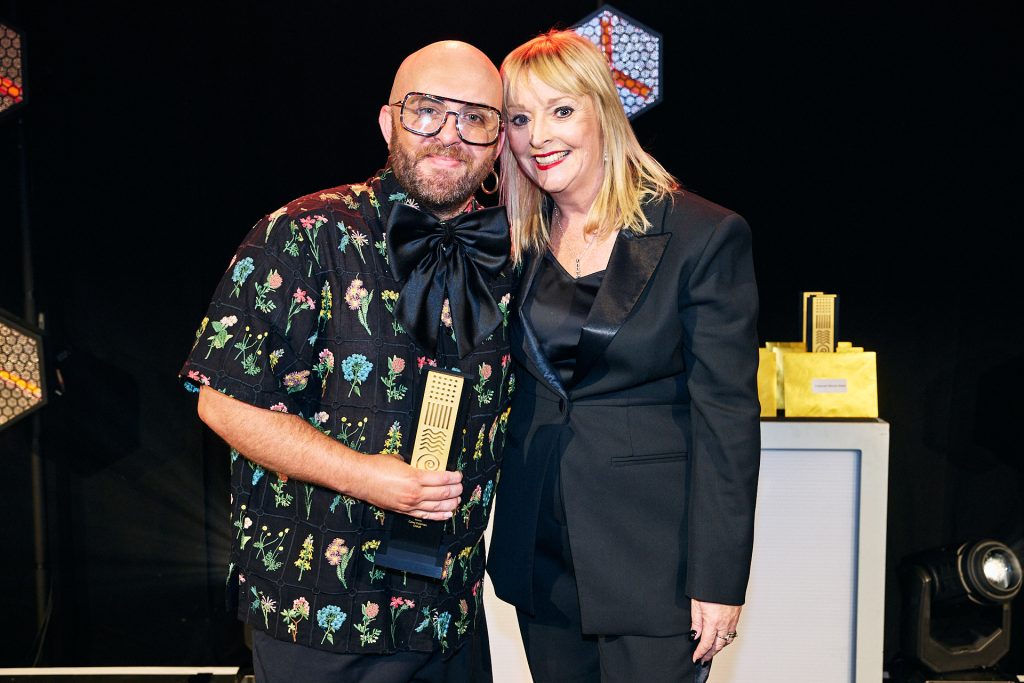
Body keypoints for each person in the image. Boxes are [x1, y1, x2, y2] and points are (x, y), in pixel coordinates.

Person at [180, 40, 516, 683]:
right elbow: (221, 399)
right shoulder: (302, 232)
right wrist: (369, 476)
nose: (450, 133)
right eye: (427, 110)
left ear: (498, 141)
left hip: (450, 616)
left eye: (475, 117)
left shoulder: (507, 256)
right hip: (325, 613)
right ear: (389, 122)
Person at [486, 29, 761, 682]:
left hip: (652, 565)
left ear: (604, 110)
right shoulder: (512, 241)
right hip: (541, 557)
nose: (538, 136)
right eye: (520, 118)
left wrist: (719, 577)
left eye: (561, 110)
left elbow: (726, 415)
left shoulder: (701, 233)